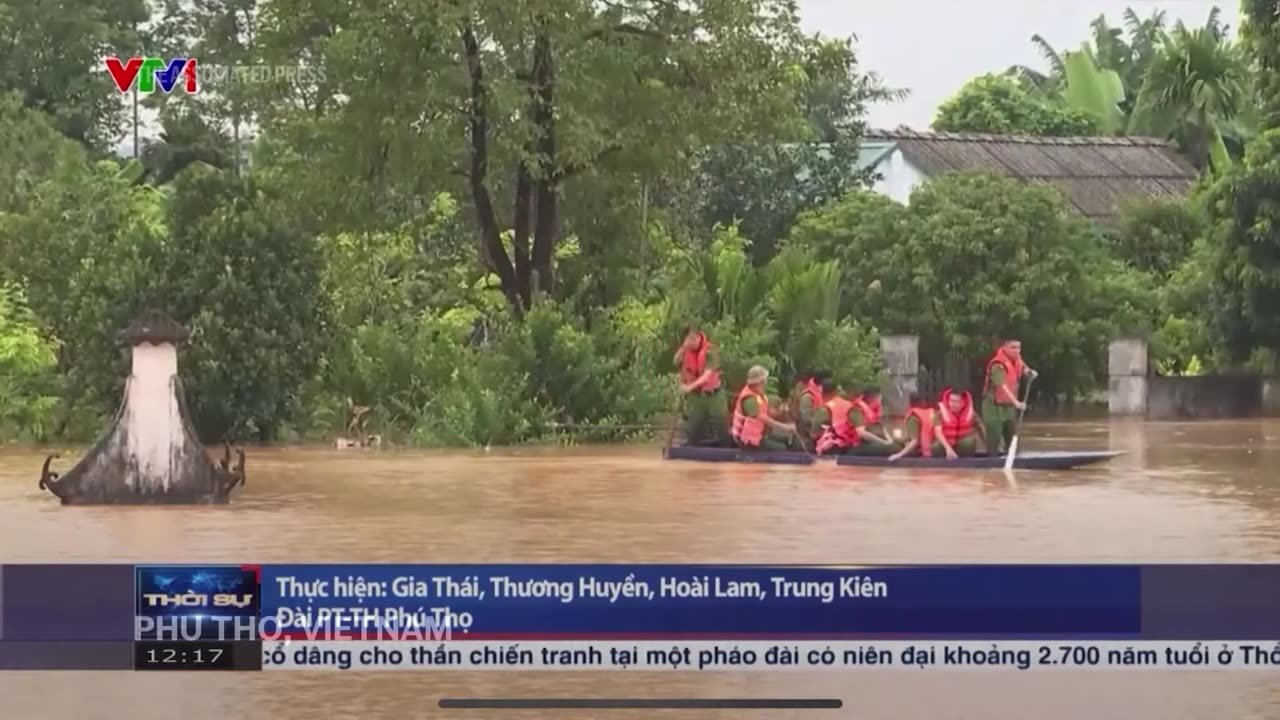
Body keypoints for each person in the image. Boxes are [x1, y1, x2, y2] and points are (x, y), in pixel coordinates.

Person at [673, 326, 728, 446]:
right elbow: (676, 361)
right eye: (687, 340)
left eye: (692, 340)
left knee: (721, 424)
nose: (690, 343)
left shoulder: (710, 351)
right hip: (697, 396)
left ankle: (727, 451)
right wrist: (683, 348)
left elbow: (707, 376)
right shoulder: (686, 350)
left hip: (714, 394)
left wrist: (689, 387)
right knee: (694, 427)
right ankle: (692, 449)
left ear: (698, 338)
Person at [983, 339, 1038, 455]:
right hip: (994, 406)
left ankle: (1013, 457)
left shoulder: (1017, 359)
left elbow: (1024, 368)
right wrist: (1017, 402)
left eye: (1019, 347)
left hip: (1009, 406)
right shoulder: (998, 365)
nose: (1017, 351)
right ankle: (991, 460)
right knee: (995, 436)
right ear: (1005, 348)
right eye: (1013, 347)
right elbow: (1002, 386)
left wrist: (1030, 372)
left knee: (1012, 436)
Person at [731, 365, 797, 451]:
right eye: (764, 380)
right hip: (748, 440)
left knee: (788, 440)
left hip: (760, 435)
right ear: (759, 382)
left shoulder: (758, 395)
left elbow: (766, 412)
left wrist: (780, 411)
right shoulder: (749, 399)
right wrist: (784, 427)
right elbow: (762, 418)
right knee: (781, 449)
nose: (766, 382)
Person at [845, 386, 900, 456]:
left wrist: (890, 441)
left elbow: (882, 428)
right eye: (879, 397)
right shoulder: (856, 410)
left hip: (872, 443)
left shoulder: (873, 410)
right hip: (859, 445)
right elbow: (862, 433)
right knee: (888, 448)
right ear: (873, 397)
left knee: (898, 444)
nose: (880, 399)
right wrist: (884, 442)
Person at [933, 387, 984, 459]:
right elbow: (938, 432)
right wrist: (948, 448)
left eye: (956, 401)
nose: (952, 404)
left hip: (962, 446)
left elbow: (982, 429)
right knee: (936, 446)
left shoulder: (971, 414)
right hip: (945, 445)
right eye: (951, 401)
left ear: (963, 403)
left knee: (969, 442)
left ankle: (966, 463)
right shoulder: (940, 414)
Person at [888, 393, 936, 461]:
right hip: (931, 446)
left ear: (910, 403)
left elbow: (914, 441)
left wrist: (899, 455)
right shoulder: (932, 413)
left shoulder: (913, 418)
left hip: (918, 450)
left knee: (892, 444)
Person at [814, 380, 854, 455]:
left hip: (831, 447)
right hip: (850, 445)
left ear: (822, 392)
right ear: (836, 391)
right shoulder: (849, 404)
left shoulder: (824, 409)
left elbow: (814, 432)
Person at [793, 368, 831, 442]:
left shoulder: (824, 391)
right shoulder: (808, 396)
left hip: (824, 432)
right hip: (808, 435)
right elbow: (806, 418)